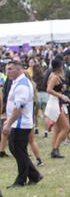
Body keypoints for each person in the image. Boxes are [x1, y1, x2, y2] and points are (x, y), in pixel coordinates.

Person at [2, 60, 43, 188]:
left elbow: (19, 107)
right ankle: (34, 175)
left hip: (20, 124)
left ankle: (21, 180)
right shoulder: (17, 82)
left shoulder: (22, 85)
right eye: (7, 69)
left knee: (18, 151)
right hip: (18, 123)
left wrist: (8, 123)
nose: (7, 71)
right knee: (17, 151)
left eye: (10, 69)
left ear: (19, 70)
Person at [44, 57, 70, 159]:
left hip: (56, 102)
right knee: (66, 128)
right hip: (55, 103)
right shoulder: (54, 76)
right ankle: (55, 149)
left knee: (58, 129)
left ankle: (54, 150)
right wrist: (61, 95)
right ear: (60, 66)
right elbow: (49, 89)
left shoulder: (55, 76)